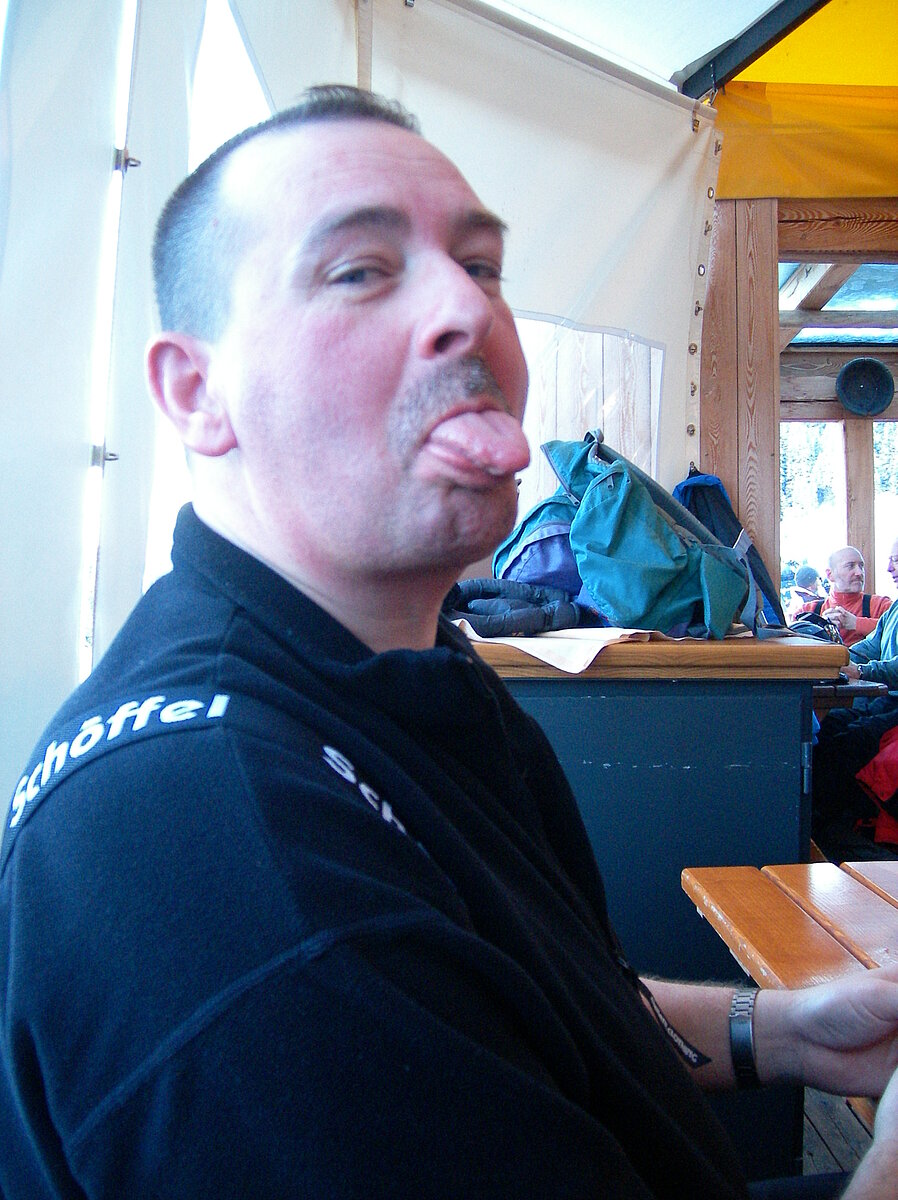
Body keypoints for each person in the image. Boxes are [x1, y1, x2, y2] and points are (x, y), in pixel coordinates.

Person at [2, 86, 898, 1200]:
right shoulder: (215, 840)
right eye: (359, 271)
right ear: (196, 392)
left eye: (480, 266)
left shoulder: (398, 669)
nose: (465, 310)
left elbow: (530, 1010)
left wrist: (790, 1031)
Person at [812, 540, 898, 860]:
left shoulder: (883, 605)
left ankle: (833, 835)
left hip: (893, 704)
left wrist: (860, 670)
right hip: (883, 699)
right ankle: (815, 831)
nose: (888, 568)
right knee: (825, 728)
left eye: (896, 560)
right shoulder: (895, 610)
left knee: (848, 742)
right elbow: (867, 648)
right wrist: (827, 658)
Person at [795, 546, 891, 647]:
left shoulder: (881, 605)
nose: (859, 572)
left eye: (861, 566)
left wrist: (856, 623)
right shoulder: (806, 611)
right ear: (830, 574)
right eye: (850, 566)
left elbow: (895, 629)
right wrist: (820, 626)